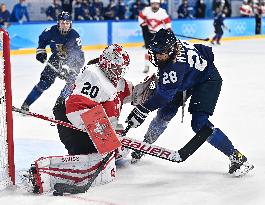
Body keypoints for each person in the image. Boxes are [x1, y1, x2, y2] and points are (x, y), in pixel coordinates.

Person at [126, 28, 254, 177]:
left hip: (207, 80)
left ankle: (237, 157)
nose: (157, 56)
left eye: (161, 52)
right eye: (155, 51)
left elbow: (163, 97)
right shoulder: (172, 50)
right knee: (166, 112)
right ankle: (145, 144)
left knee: (199, 124)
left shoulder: (175, 67)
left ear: (171, 50)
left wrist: (143, 108)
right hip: (188, 76)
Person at [53, 44, 131, 158]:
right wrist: (107, 139)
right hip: (66, 112)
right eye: (117, 68)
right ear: (106, 64)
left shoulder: (109, 75)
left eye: (121, 69)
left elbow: (127, 92)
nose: (119, 73)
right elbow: (76, 107)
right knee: (83, 150)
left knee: (105, 148)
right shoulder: (93, 76)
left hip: (77, 108)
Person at [21, 11, 85, 111]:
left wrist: (69, 68)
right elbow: (42, 40)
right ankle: (26, 104)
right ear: (58, 23)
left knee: (71, 84)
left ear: (70, 24)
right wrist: (40, 51)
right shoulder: (51, 31)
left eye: (67, 23)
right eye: (62, 23)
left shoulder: (74, 36)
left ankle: (58, 108)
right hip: (55, 59)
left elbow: (79, 56)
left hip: (71, 62)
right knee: (44, 82)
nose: (65, 26)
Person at [138, 0, 171, 73]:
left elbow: (167, 21)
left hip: (159, 34)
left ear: (159, 4)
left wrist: (168, 28)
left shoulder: (162, 11)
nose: (155, 5)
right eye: (153, 4)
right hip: (148, 34)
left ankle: (163, 66)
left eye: (156, 4)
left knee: (161, 51)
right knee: (148, 50)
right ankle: (147, 66)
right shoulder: (146, 10)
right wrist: (143, 24)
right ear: (151, 4)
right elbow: (140, 17)